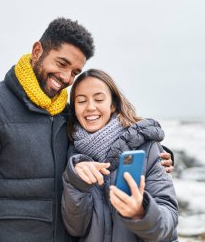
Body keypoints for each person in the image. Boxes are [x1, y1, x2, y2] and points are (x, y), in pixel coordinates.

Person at [0, 17, 174, 242]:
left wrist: (156, 155)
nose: (66, 77)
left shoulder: (66, 116)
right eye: (61, 63)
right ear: (37, 51)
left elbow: (106, 140)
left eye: (75, 72)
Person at [61, 69, 178, 242]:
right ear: (74, 109)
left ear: (113, 104)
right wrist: (77, 183)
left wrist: (142, 212)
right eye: (81, 101)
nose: (90, 107)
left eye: (99, 99)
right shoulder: (72, 156)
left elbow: (168, 222)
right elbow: (75, 229)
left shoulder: (148, 149)